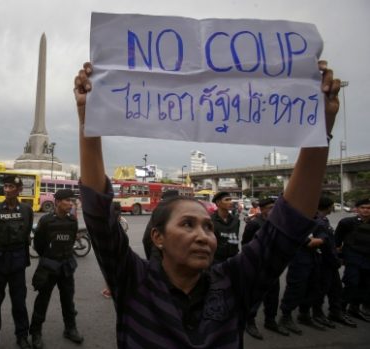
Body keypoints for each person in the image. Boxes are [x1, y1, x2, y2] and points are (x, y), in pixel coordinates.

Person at [73, 60, 340, 348]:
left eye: (208, 227)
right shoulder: (133, 281)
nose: (203, 236)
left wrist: (320, 128)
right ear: (157, 237)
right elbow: (99, 215)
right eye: (187, 224)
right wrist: (89, 121)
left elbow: (289, 224)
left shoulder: (234, 282)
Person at [30, 189, 84, 349]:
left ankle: (70, 329)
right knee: (42, 301)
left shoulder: (72, 221)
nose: (71, 203)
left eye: (72, 201)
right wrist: (49, 257)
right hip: (49, 267)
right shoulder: (46, 221)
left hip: (66, 267)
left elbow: (71, 241)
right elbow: (38, 245)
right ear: (58, 202)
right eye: (67, 200)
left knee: (68, 300)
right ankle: (35, 333)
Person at [0, 175, 33, 349]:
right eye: (5, 186)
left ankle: (22, 336)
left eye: (11, 186)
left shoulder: (27, 210)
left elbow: (27, 230)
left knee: (19, 303)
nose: (7, 189)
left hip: (18, 263)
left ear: (19, 190)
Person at [240, 198, 290, 339]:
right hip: (257, 266)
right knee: (254, 297)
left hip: (273, 265)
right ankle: (250, 322)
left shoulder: (279, 224)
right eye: (269, 208)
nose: (273, 210)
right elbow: (245, 245)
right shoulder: (254, 224)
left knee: (273, 296)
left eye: (274, 207)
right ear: (262, 209)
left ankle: (271, 321)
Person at [312, 196, 357, 328]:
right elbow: (325, 245)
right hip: (325, 262)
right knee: (322, 289)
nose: (333, 207)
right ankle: (318, 314)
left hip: (330, 261)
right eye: (332, 205)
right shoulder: (319, 222)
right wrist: (335, 259)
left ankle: (335, 312)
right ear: (328, 206)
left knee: (335, 289)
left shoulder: (323, 220)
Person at [335, 198, 370, 322]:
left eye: (368, 208)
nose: (366, 210)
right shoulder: (347, 223)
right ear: (357, 209)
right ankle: (340, 310)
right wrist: (338, 257)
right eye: (363, 207)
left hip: (367, 259)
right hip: (353, 258)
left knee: (365, 285)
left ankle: (354, 308)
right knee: (351, 283)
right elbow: (337, 241)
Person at [211, 191, 241, 264]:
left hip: (233, 259)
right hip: (216, 261)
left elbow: (236, 238)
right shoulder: (210, 220)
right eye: (227, 200)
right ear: (218, 203)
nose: (230, 202)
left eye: (230, 199)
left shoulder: (236, 220)